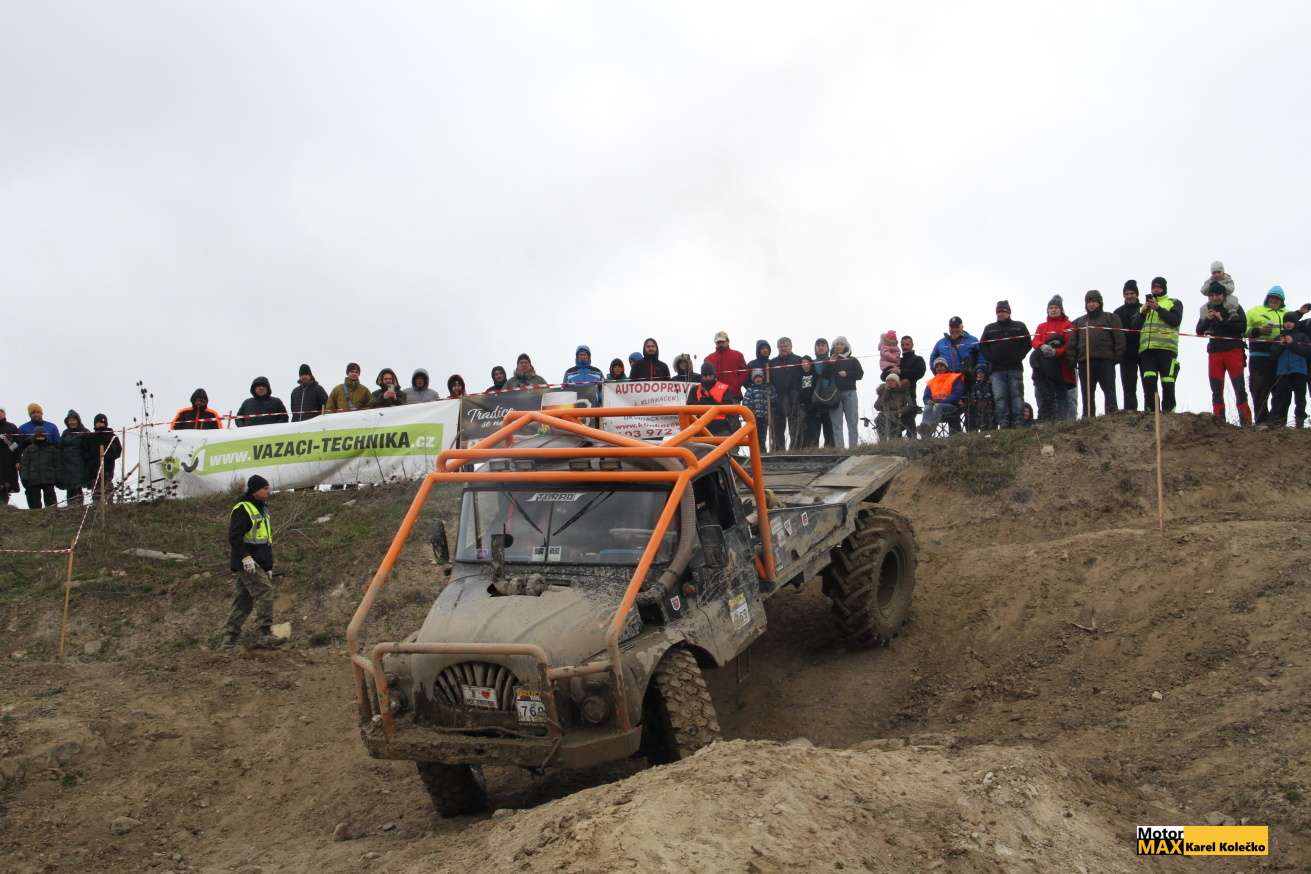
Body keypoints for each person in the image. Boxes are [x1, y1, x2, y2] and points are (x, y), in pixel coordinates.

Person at [222, 474, 284, 650]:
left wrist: (268, 566)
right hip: (247, 562)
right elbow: (234, 537)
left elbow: (265, 541)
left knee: (243, 601)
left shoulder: (262, 509)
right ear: (255, 490)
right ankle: (265, 633)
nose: (269, 491)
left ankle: (228, 641)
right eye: (265, 488)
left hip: (258, 562)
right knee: (265, 590)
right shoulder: (243, 508)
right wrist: (245, 557)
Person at [1196, 282, 1252, 425]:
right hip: (1215, 353)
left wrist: (1222, 320)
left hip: (1234, 350)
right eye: (1212, 295)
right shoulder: (1207, 310)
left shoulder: (1234, 307)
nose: (1215, 298)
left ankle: (1246, 423)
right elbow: (1199, 331)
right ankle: (1219, 422)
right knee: (1216, 389)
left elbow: (1242, 327)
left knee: (1239, 387)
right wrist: (1207, 320)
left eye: (1218, 295)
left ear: (1224, 295)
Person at [1132, 277, 1185, 413]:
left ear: (1164, 288)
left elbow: (1175, 320)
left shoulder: (1174, 302)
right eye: (1154, 287)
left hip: (1167, 349)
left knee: (1168, 382)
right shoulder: (1144, 307)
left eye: (1159, 287)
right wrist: (1143, 312)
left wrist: (1158, 309)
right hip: (1147, 350)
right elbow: (1134, 327)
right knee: (1149, 381)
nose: (1156, 289)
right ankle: (1151, 411)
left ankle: (1169, 412)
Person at [1069, 290, 1125, 417]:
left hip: (1106, 360)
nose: (1091, 304)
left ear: (1100, 302)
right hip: (1085, 362)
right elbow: (1072, 342)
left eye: (1094, 301)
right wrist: (1072, 359)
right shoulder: (1078, 322)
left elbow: (1119, 337)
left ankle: (1111, 415)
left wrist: (1118, 356)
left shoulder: (1111, 318)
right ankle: (1088, 417)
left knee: (1109, 390)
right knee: (1087, 392)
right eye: (1089, 302)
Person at [978, 300, 1031, 428]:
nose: (1001, 314)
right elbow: (982, 345)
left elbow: (1028, 343)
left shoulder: (1019, 326)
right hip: (996, 370)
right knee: (1000, 397)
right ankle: (1003, 422)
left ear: (1009, 312)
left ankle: (1018, 422)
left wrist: (1019, 355)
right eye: (999, 311)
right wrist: (991, 358)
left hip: (1015, 367)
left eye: (1003, 311)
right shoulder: (989, 328)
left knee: (1017, 395)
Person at [1246, 287, 1289, 424]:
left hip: (1280, 357)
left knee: (1281, 391)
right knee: (1259, 389)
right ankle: (1261, 422)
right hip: (1259, 355)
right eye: (1272, 297)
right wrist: (1258, 330)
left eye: (1278, 298)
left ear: (1282, 301)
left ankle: (1278, 422)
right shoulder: (1255, 311)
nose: (1274, 300)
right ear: (1267, 298)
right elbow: (1243, 330)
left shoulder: (1287, 314)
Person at [1031, 296, 1077, 421]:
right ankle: (1047, 420)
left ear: (1061, 309)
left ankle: (1067, 422)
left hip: (1064, 368)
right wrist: (1042, 346)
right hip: (1044, 369)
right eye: (1051, 308)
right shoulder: (1042, 326)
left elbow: (1070, 343)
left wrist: (1056, 352)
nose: (1053, 310)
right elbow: (1035, 341)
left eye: (1056, 307)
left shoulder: (1068, 324)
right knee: (1044, 395)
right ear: (1047, 310)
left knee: (1066, 397)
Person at [1268, 311, 1310, 428]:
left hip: (1299, 371)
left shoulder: (1302, 336)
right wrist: (1281, 345)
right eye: (1286, 321)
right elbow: (1273, 355)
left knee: (1300, 399)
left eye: (1291, 321)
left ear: (1295, 322)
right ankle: (1280, 424)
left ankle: (1300, 424)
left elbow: (1306, 352)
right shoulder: (1278, 338)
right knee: (1282, 399)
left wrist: (1292, 343)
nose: (1288, 324)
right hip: (1283, 372)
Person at [828, 336, 864, 449]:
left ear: (846, 346)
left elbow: (860, 374)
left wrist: (847, 373)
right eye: (836, 344)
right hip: (835, 395)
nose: (838, 346)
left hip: (850, 393)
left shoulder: (852, 359)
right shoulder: (830, 360)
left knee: (852, 422)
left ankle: (853, 449)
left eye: (841, 344)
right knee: (836, 424)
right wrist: (830, 363)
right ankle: (840, 450)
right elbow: (824, 375)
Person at [686, 362, 740, 437]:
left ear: (714, 375)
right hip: (700, 427)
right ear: (702, 376)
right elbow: (688, 410)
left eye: (710, 375)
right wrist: (700, 403)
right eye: (705, 375)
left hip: (721, 427)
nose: (708, 377)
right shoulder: (694, 390)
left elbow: (730, 409)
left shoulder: (724, 388)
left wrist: (713, 403)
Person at [769, 337, 803, 451]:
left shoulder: (798, 360)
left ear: (791, 346)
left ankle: (795, 451)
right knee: (777, 427)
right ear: (778, 347)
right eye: (781, 346)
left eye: (785, 346)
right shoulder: (772, 362)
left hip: (794, 396)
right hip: (777, 397)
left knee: (795, 425)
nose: (783, 348)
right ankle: (778, 451)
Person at [1114, 281, 1143, 411]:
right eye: (1126, 294)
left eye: (1132, 293)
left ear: (1137, 294)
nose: (1129, 296)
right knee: (1128, 386)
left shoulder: (1145, 309)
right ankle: (1130, 413)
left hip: (1145, 351)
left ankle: (1151, 410)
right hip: (1126, 354)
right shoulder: (1118, 312)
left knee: (1148, 383)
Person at [919, 359, 964, 437]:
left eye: (941, 366)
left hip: (952, 406)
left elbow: (956, 395)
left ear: (946, 367)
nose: (939, 368)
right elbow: (926, 396)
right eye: (937, 367)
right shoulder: (931, 381)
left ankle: (929, 430)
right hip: (935, 407)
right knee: (927, 407)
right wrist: (928, 401)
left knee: (937, 406)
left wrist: (940, 402)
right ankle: (924, 428)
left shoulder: (954, 377)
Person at [19, 427, 60, 509]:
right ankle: (35, 515)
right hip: (33, 479)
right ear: (34, 436)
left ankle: (52, 514)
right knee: (34, 504)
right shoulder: (28, 449)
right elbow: (25, 465)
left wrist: (58, 477)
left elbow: (57, 464)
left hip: (48, 478)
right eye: (38, 435)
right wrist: (24, 477)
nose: (40, 437)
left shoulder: (52, 449)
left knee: (51, 503)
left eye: (42, 435)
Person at [59, 411, 92, 506]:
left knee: (77, 487)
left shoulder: (85, 432)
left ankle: (78, 508)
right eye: (70, 420)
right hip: (66, 465)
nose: (71, 422)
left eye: (74, 420)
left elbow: (89, 448)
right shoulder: (65, 433)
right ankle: (70, 509)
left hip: (80, 465)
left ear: (78, 420)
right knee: (69, 488)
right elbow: (60, 447)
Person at [88, 414, 122, 502]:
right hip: (94, 470)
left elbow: (118, 451)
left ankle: (110, 507)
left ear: (105, 423)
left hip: (107, 468)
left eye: (102, 422)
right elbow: (86, 451)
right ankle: (97, 508)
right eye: (98, 423)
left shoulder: (112, 436)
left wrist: (108, 456)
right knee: (96, 494)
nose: (100, 424)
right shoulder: (91, 437)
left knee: (108, 491)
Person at [898, 336, 927, 438]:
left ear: (912, 345)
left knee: (909, 420)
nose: (904, 347)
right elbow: (884, 376)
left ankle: (913, 442)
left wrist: (900, 372)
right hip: (894, 398)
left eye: (907, 344)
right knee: (895, 424)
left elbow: (919, 372)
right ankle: (896, 444)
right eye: (902, 344)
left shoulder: (918, 359)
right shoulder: (897, 361)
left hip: (910, 396)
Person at [742, 369, 776, 451]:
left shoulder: (766, 389)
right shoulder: (750, 390)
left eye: (760, 377)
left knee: (762, 435)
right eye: (756, 377)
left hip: (764, 417)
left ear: (763, 378)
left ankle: (762, 451)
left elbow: (773, 398)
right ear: (753, 379)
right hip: (754, 418)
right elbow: (745, 403)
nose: (758, 379)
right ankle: (755, 452)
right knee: (755, 436)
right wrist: (751, 411)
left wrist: (771, 389)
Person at [874, 374, 911, 441]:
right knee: (879, 418)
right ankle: (883, 442)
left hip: (899, 416)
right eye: (888, 381)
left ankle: (895, 442)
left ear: (897, 382)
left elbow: (910, 406)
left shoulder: (903, 392)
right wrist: (886, 392)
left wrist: (898, 412)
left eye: (893, 380)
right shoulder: (883, 391)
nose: (890, 382)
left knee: (895, 438)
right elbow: (877, 406)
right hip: (885, 416)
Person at [967, 361, 995, 432]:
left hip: (989, 408)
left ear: (985, 374)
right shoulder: (975, 386)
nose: (979, 375)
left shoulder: (989, 385)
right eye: (978, 373)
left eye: (982, 373)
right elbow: (973, 397)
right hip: (978, 409)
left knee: (990, 425)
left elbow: (992, 397)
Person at [0, 408, 20, 506]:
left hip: (8, 462)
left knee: (6, 487)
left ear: (4, 414)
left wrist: (7, 441)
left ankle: (4, 508)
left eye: (1, 413)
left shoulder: (11, 427)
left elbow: (17, 446)